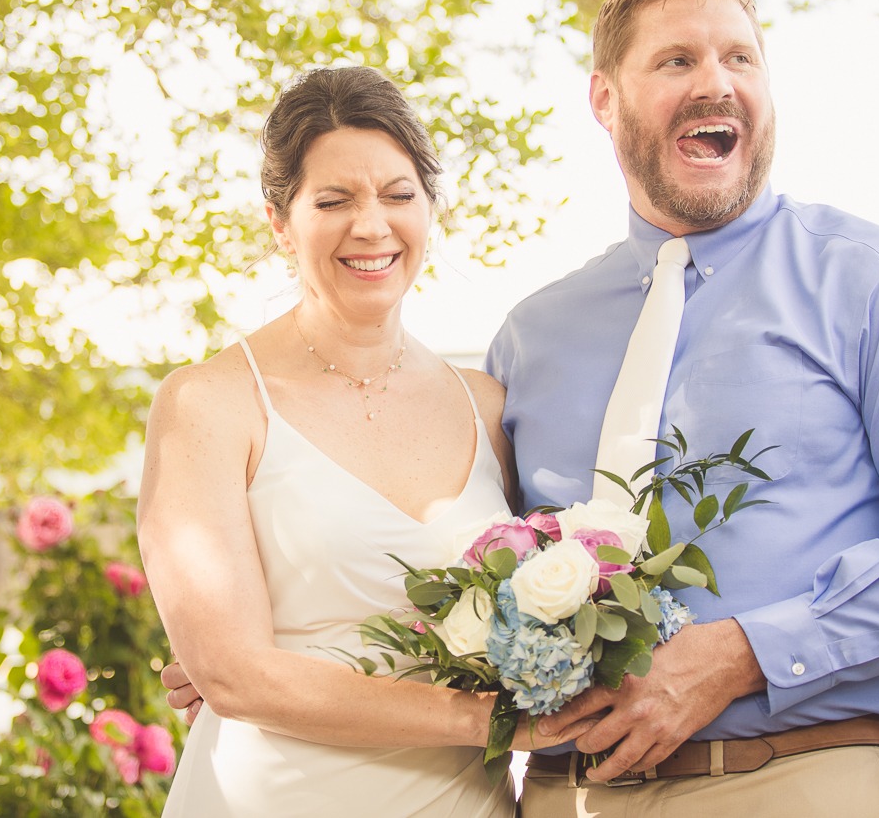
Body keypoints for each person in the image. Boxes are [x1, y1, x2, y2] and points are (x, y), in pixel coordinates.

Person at [486, 0, 879, 816]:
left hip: (804, 779)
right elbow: (469, 556)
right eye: (678, 60)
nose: (716, 82)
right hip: (567, 791)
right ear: (605, 99)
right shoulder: (529, 338)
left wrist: (744, 650)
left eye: (739, 58)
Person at [136, 66, 586, 817]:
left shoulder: (486, 405)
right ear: (281, 221)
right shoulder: (210, 403)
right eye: (334, 200)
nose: (371, 225)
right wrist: (488, 722)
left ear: (429, 208)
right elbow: (234, 674)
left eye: (399, 194)